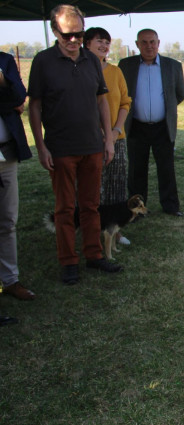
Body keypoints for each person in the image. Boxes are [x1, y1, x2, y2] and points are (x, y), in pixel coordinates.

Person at [28, 4, 123, 285]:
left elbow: (101, 101)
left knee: (91, 206)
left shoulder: (92, 61)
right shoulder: (43, 62)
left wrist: (108, 139)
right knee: (65, 208)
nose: (73, 42)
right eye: (67, 36)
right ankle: (69, 262)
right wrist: (41, 147)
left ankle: (94, 256)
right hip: (60, 149)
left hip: (93, 147)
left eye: (79, 36)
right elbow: (35, 106)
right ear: (55, 31)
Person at [118, 29, 184, 217]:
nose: (149, 46)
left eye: (152, 42)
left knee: (166, 169)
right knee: (136, 170)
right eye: (144, 42)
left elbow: (180, 93)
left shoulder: (172, 66)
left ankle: (171, 206)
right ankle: (136, 210)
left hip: (162, 127)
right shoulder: (126, 65)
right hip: (136, 127)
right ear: (137, 44)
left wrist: (165, 108)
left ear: (158, 42)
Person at [84, 27, 132, 246]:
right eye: (98, 41)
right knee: (93, 189)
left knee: (117, 187)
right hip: (88, 140)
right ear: (86, 44)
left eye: (107, 42)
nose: (103, 46)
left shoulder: (115, 71)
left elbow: (125, 102)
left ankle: (115, 232)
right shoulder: (79, 70)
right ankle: (92, 232)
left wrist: (114, 131)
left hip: (116, 140)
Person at [0, 51, 36, 301]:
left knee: (8, 220)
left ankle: (10, 280)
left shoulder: (4, 60)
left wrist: (2, 83)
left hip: (6, 154)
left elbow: (19, 97)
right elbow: (11, 104)